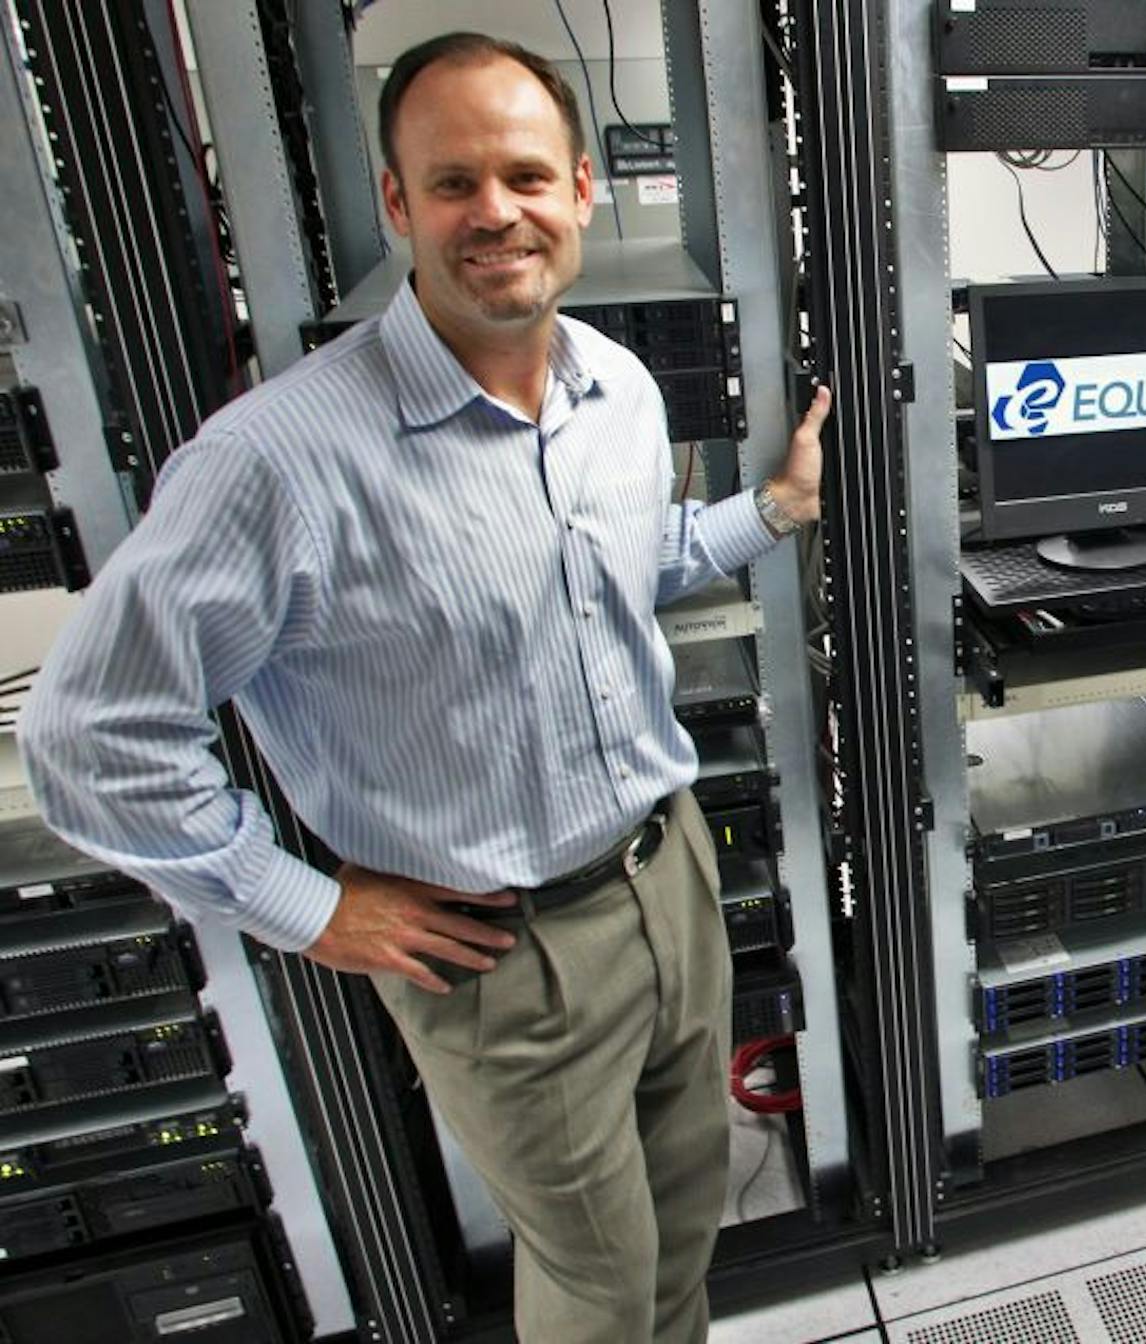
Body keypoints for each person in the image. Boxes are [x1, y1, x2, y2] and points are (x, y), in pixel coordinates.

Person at [17, 33, 828, 1344]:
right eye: (455, 184)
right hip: (502, 953)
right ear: (397, 202)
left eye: (525, 176)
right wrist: (305, 906)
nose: (496, 212)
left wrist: (773, 510)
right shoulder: (278, 462)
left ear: (579, 188)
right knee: (599, 1288)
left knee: (685, 1229)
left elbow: (617, 571)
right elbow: (89, 740)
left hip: (668, 874)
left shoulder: (616, 391)